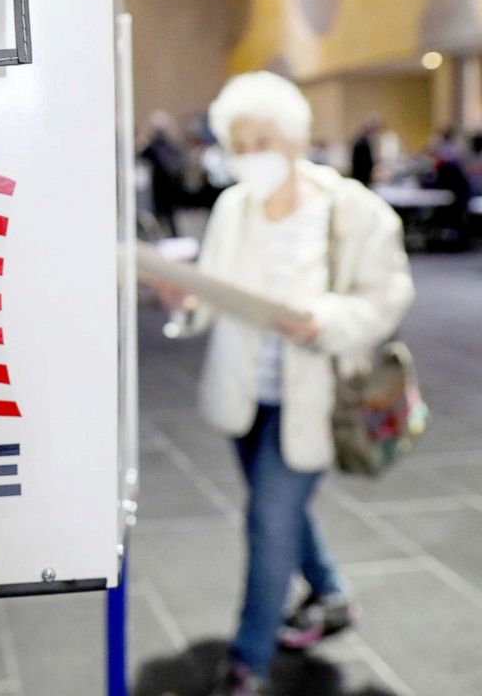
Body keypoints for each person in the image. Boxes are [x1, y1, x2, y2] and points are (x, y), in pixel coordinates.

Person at [152, 72, 415, 695]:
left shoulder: (352, 209)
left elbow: (387, 295)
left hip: (320, 399)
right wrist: (184, 300)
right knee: (281, 512)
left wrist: (322, 320)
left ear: (294, 138)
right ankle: (330, 595)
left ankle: (247, 664)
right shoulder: (233, 207)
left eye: (262, 140)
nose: (251, 156)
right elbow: (209, 296)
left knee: (268, 520)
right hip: (246, 395)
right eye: (238, 144)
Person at [138, 110, 187, 236]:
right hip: (161, 191)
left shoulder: (159, 148)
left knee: (167, 220)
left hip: (163, 190)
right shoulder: (163, 148)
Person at [350, 116, 382, 186]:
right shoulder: (362, 143)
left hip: (361, 175)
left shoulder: (362, 140)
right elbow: (365, 162)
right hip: (362, 176)